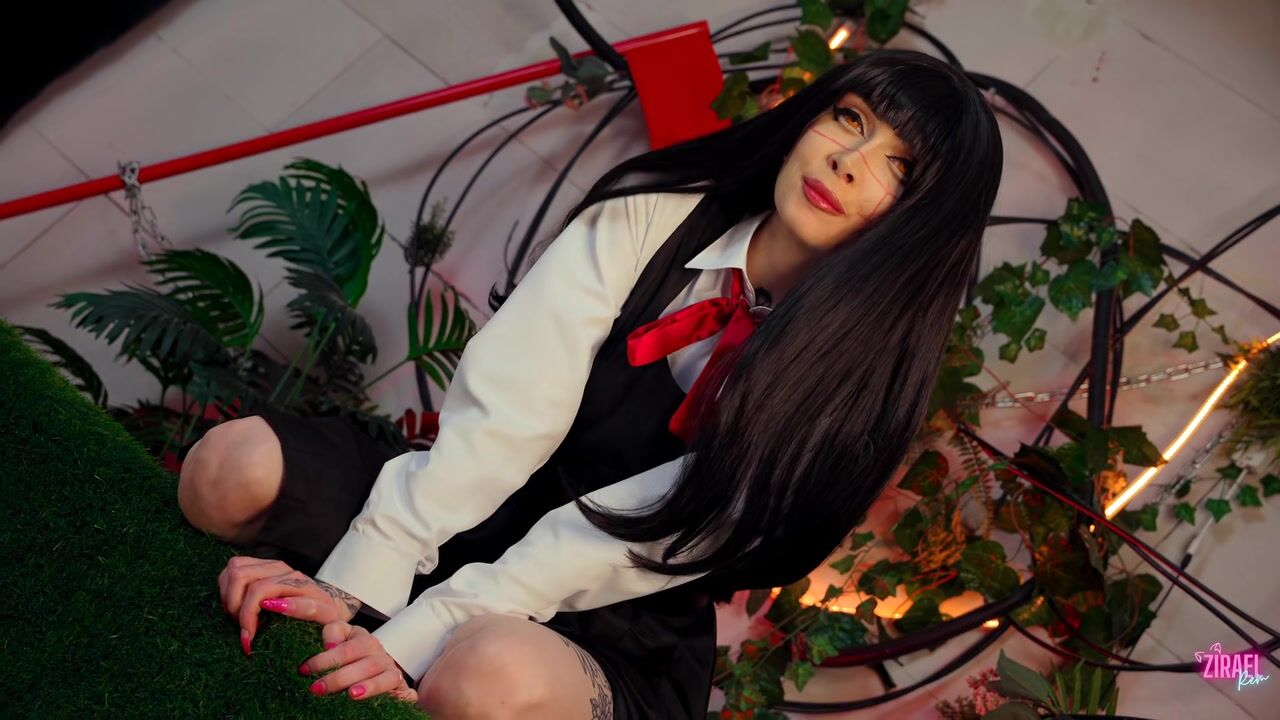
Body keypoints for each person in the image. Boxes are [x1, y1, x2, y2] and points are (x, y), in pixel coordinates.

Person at [182, 48, 1003, 718]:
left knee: (483, 677)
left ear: (922, 225)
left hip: (616, 612)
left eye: (898, 167)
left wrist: (406, 641)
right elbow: (507, 419)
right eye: (850, 119)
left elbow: (621, 540)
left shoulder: (846, 398)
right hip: (477, 503)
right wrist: (356, 584)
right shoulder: (652, 219)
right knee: (226, 470)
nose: (848, 162)